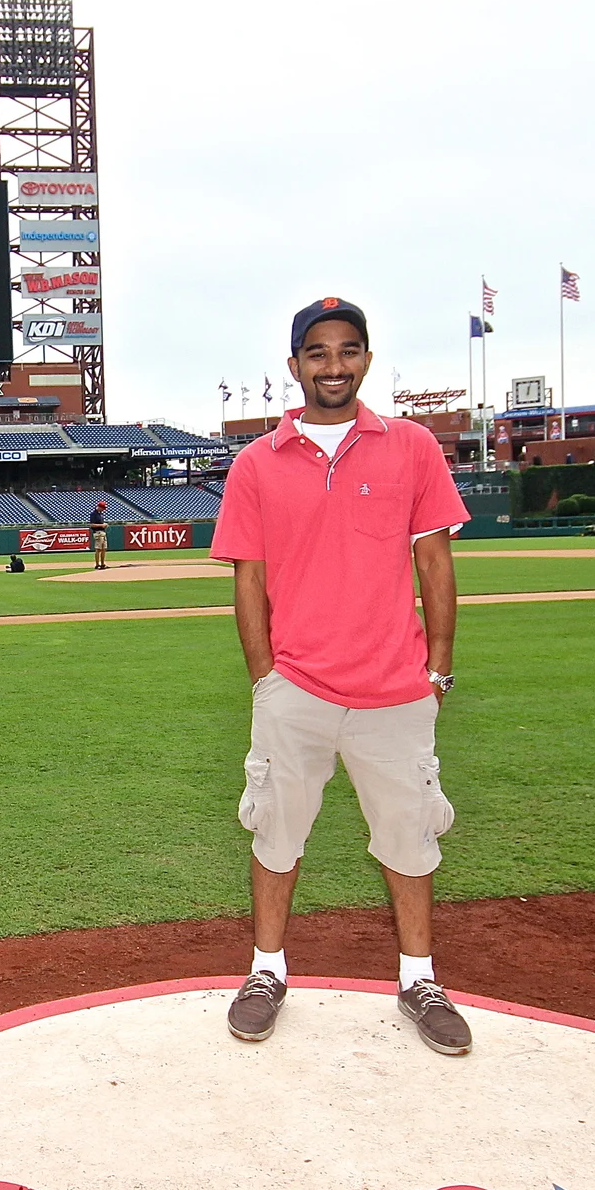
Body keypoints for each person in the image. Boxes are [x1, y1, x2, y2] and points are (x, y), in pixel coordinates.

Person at [209, 298, 472, 1055]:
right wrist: (266, 679)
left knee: (410, 838)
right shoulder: (257, 462)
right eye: (318, 352)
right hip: (295, 687)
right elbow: (249, 579)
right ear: (295, 365)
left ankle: (419, 980)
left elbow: (434, 562)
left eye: (348, 350)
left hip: (396, 688)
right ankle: (266, 971)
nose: (334, 365)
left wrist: (438, 670)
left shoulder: (412, 445)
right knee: (276, 831)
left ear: (366, 358)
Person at [90, 498, 110, 570]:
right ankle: (97, 564)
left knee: (104, 549)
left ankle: (102, 564)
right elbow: (92, 525)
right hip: (98, 532)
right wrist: (102, 525)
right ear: (99, 507)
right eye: (103, 508)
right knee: (98, 549)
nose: (103, 509)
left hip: (103, 532)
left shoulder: (100, 514)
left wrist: (104, 525)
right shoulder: (93, 514)